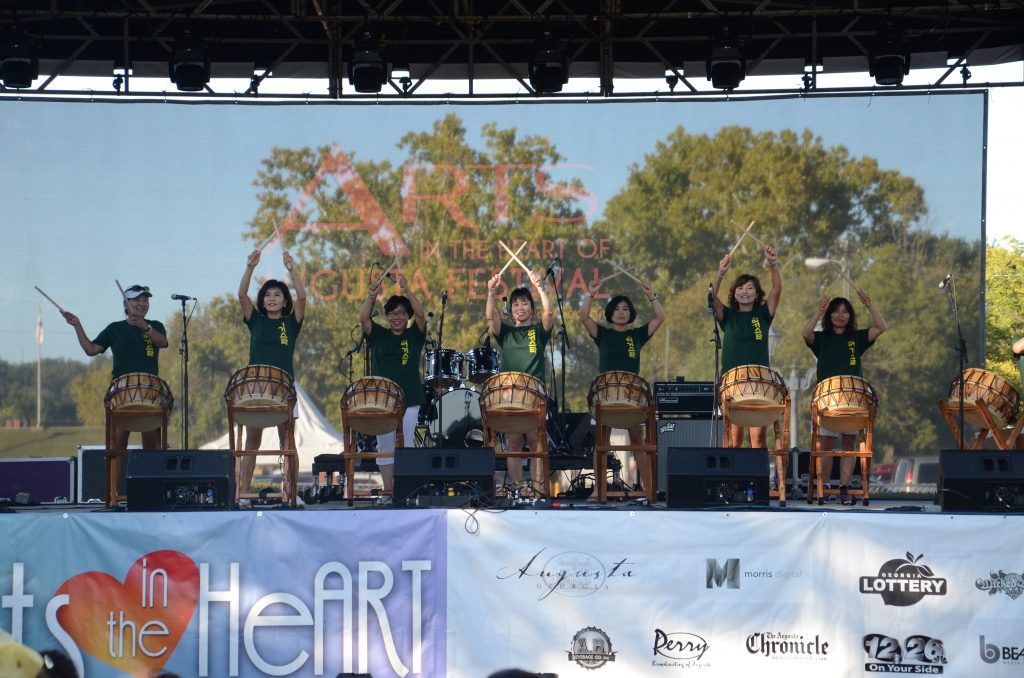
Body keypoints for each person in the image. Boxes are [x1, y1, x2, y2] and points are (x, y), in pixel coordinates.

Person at [578, 276, 665, 493]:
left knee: (639, 443)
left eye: (625, 308)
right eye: (616, 309)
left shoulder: (636, 336)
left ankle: (649, 490)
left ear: (631, 313)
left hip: (630, 396)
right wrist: (590, 293)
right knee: (601, 444)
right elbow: (583, 316)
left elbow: (660, 317)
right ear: (610, 313)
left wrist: (650, 294)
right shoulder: (603, 334)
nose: (621, 312)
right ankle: (599, 490)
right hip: (606, 397)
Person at [802, 290, 887, 504]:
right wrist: (818, 311)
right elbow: (806, 334)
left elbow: (881, 327)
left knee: (849, 444)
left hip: (851, 399)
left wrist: (869, 305)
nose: (841, 315)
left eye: (845, 311)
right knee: (826, 443)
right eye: (836, 311)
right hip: (827, 400)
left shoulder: (856, 338)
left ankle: (844, 487)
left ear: (850, 316)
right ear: (829, 315)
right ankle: (825, 486)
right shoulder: (822, 339)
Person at [63, 284, 170, 451]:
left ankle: (150, 476)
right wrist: (77, 325)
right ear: (126, 304)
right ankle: (116, 477)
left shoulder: (155, 325)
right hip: (121, 391)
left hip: (150, 391)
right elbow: (91, 350)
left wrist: (145, 327)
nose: (142, 303)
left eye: (145, 300)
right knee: (117, 447)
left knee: (153, 448)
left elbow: (163, 342)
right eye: (137, 300)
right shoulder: (115, 328)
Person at [237, 248, 306, 495]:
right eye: (268, 295)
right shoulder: (255, 320)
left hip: (284, 387)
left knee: (287, 442)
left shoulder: (291, 323)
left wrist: (292, 270)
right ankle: (243, 492)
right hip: (256, 387)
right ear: (263, 300)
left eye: (277, 295)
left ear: (284, 300)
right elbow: (242, 294)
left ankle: (291, 492)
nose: (272, 299)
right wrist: (250, 267)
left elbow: (303, 299)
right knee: (251, 441)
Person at [360, 272, 427, 495]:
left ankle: (404, 491)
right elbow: (364, 319)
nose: (396, 317)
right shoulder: (379, 335)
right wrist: (371, 296)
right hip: (382, 401)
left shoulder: (413, 336)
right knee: (385, 447)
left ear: (407, 316)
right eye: (392, 313)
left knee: (405, 445)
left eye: (401, 313)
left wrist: (407, 289)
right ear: (387, 316)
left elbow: (421, 315)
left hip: (410, 398)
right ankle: (389, 491)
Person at [486, 270, 554, 488]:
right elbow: (491, 316)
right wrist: (491, 291)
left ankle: (537, 488)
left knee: (536, 442)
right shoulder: (505, 332)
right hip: (510, 394)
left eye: (525, 303)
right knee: (514, 444)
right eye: (515, 304)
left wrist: (541, 288)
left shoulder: (538, 331)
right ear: (511, 310)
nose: (520, 308)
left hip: (534, 394)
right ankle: (517, 489)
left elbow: (549, 314)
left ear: (532, 309)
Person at [712, 244, 782, 449]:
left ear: (756, 293)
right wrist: (720, 273)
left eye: (750, 288)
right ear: (734, 294)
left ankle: (757, 481)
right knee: (734, 440)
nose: (745, 291)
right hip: (732, 382)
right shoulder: (728, 316)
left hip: (758, 381)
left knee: (758, 440)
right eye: (741, 288)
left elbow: (777, 289)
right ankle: (730, 479)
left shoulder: (763, 315)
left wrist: (773, 263)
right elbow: (711, 298)